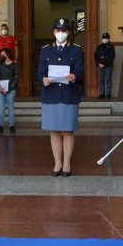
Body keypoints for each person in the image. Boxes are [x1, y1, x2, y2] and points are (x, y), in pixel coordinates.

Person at [38, 18, 84, 177]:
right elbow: (40, 72)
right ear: (53, 32)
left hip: (68, 94)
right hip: (51, 94)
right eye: (58, 30)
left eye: (64, 30)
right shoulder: (45, 50)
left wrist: (74, 76)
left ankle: (67, 163)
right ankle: (57, 162)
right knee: (54, 131)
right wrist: (43, 79)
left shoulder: (76, 50)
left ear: (69, 32)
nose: (61, 33)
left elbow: (80, 72)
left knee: (68, 130)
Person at [0, 47, 19, 134]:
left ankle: (12, 126)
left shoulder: (14, 65)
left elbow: (16, 78)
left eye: (3, 53)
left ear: (7, 54)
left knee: (10, 108)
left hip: (11, 89)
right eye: (1, 53)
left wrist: (9, 88)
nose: (1, 55)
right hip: (0, 89)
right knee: (1, 108)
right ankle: (0, 126)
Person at [94, 32, 115, 98]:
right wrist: (99, 63)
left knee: (107, 79)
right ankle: (101, 94)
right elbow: (96, 56)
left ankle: (108, 94)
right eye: (103, 38)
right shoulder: (99, 47)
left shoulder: (111, 47)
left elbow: (112, 56)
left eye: (106, 38)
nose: (104, 39)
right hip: (100, 66)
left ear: (108, 39)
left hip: (108, 66)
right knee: (101, 80)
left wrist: (104, 64)